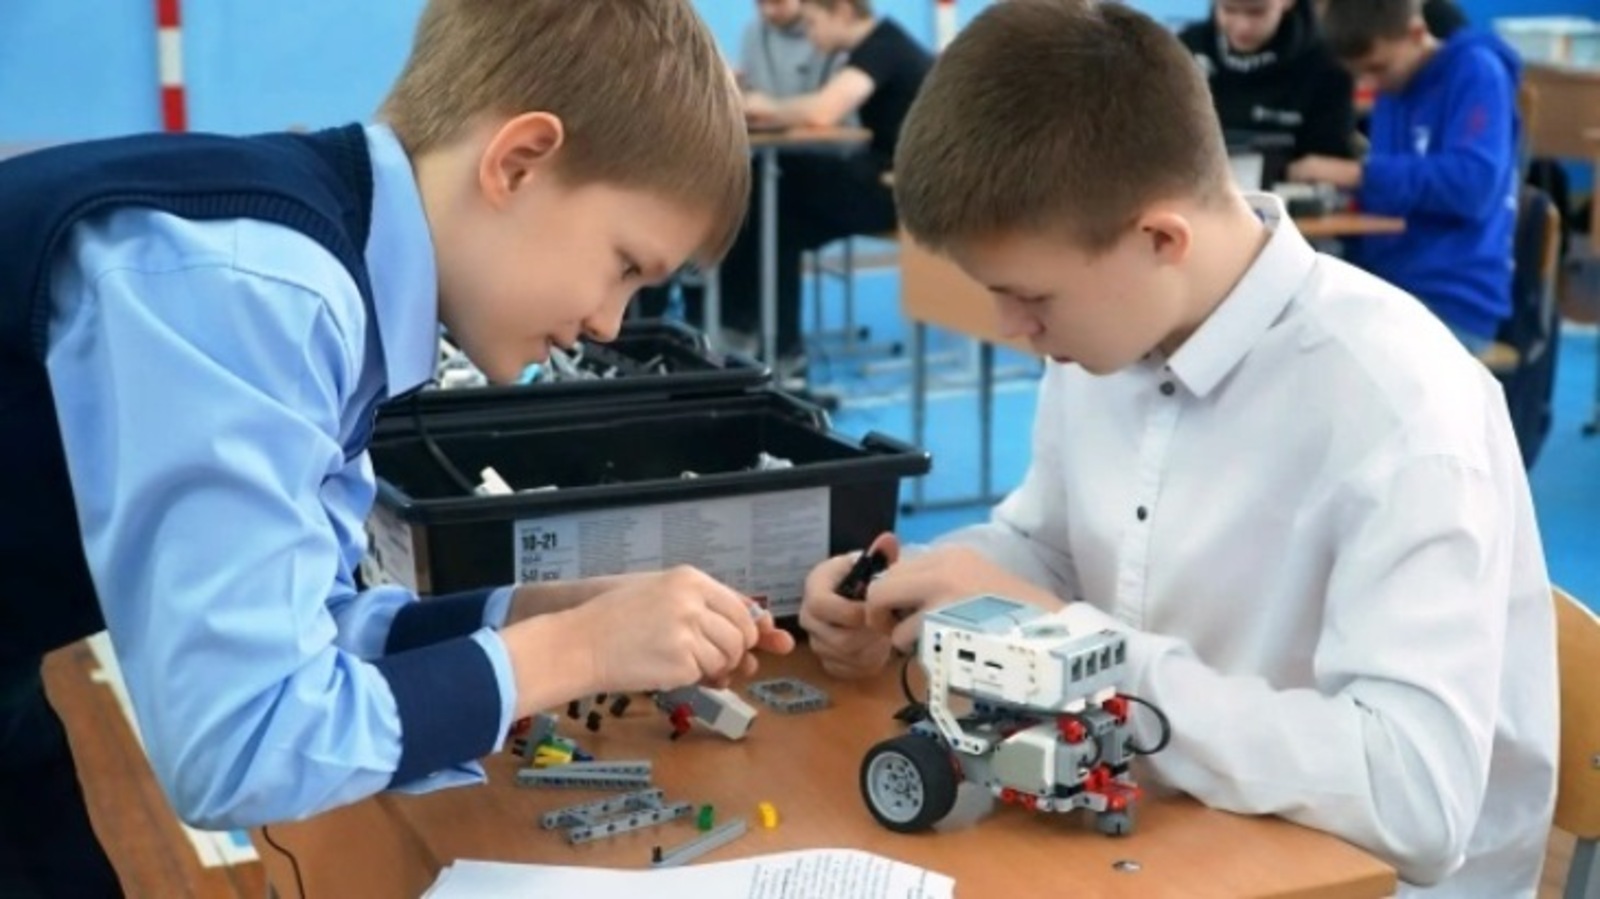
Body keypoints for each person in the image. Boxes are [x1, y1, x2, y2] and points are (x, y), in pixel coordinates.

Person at [0, 1, 792, 894]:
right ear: (519, 162)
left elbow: (312, 629)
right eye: (625, 266)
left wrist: (531, 616)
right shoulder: (262, 290)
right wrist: (579, 651)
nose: (611, 323)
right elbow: (242, 743)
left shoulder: (335, 256)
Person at [800, 1, 1556, 896]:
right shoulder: (1110, 334)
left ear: (1160, 238)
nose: (1012, 329)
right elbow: (1050, 549)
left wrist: (1090, 655)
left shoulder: (1400, 407)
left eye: (1031, 296)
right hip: (1160, 829)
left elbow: (1416, 796)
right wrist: (915, 592)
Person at [1289, 0, 1521, 354]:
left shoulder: (1477, 71)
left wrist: (1357, 174)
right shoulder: (1394, 86)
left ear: (1416, 32)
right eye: (1358, 73)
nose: (1369, 83)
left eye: (1377, 68)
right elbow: (1391, 197)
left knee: (1316, 358)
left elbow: (1474, 186)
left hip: (1452, 297)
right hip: (1386, 283)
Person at [715, 0, 932, 377]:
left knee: (773, 186)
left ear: (843, 12)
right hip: (882, 178)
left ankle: (749, 332)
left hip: (902, 192)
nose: (810, 35)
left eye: (814, 23)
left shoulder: (884, 47)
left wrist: (764, 106)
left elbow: (823, 110)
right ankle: (775, 346)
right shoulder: (870, 49)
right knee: (775, 222)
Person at [635, 0, 843, 324]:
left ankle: (742, 325)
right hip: (762, 152)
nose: (767, 11)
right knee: (722, 197)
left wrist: (769, 107)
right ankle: (697, 315)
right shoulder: (753, 33)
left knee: (762, 211)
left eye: (776, 3)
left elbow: (825, 110)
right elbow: (748, 92)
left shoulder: (829, 36)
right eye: (760, 4)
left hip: (817, 163)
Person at [1179, 0, 1356, 178]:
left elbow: (1328, 160)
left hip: (1288, 188)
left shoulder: (1327, 64)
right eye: (1229, 10)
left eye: (1257, 13)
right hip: (1196, 183)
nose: (1243, 26)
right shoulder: (1186, 48)